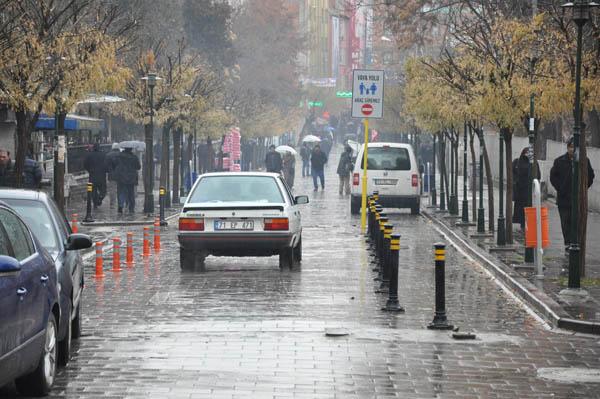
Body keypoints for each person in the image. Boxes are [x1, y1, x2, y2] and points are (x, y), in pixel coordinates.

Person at [550, 137, 595, 254]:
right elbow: (553, 177)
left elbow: (590, 176)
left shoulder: (584, 161)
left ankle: (576, 243)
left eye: (574, 147)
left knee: (577, 222)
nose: (572, 149)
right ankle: (568, 243)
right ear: (567, 147)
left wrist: (583, 189)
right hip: (564, 199)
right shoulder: (559, 161)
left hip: (578, 199)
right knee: (565, 222)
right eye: (570, 147)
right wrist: (560, 188)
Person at [511, 148, 540, 230]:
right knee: (520, 208)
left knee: (528, 207)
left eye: (529, 153)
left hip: (529, 190)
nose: (527, 154)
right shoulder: (517, 162)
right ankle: (522, 224)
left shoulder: (534, 163)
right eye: (526, 152)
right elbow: (512, 173)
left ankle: (527, 224)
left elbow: (538, 175)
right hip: (520, 190)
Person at [114, 146, 141, 214]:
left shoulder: (119, 156)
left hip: (121, 177)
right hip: (131, 178)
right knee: (131, 193)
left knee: (121, 192)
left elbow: (114, 164)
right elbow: (138, 167)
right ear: (131, 149)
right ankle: (131, 208)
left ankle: (120, 205)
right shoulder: (134, 157)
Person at [84, 143, 107, 208]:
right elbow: (106, 164)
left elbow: (85, 164)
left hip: (92, 176)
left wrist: (89, 170)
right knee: (103, 190)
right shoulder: (103, 155)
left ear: (93, 148)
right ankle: (100, 198)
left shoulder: (89, 155)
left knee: (93, 190)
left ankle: (95, 204)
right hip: (102, 176)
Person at [104, 143, 121, 209]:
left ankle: (112, 204)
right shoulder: (121, 155)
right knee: (120, 189)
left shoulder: (108, 155)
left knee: (112, 190)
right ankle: (120, 203)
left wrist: (108, 171)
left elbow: (105, 166)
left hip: (111, 175)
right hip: (120, 175)